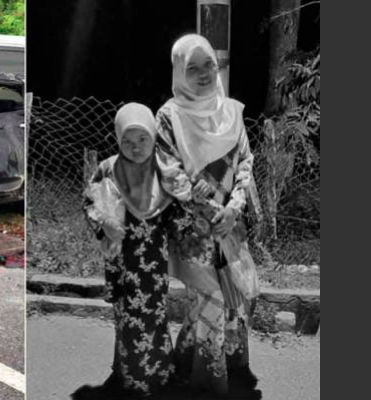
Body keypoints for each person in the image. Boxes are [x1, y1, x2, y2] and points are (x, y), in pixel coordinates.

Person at [155, 34, 261, 399]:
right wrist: (215, 212)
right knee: (210, 299)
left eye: (209, 66)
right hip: (195, 230)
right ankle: (209, 386)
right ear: (179, 72)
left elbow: (246, 161)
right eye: (192, 68)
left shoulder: (230, 111)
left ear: (218, 68)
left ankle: (189, 363)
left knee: (232, 300)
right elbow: (171, 175)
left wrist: (234, 208)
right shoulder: (169, 116)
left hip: (232, 225)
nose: (203, 74)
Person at [78, 103, 178, 398]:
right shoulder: (108, 168)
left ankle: (156, 374)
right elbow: (89, 201)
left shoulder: (164, 171)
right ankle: (129, 373)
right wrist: (103, 221)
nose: (136, 148)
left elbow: (179, 214)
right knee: (125, 314)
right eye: (127, 141)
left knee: (153, 314)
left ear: (154, 137)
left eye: (143, 139)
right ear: (118, 140)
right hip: (121, 259)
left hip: (153, 260)